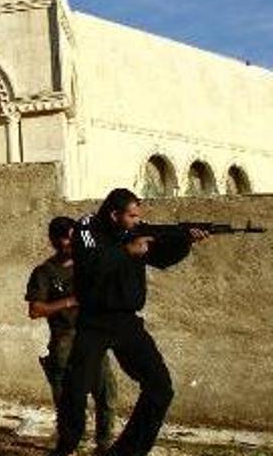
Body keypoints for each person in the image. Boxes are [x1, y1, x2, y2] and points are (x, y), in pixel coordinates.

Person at [53, 189, 208, 456]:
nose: (138, 221)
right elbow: (91, 264)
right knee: (76, 390)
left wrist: (186, 242)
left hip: (126, 322)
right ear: (115, 214)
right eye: (132, 216)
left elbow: (161, 258)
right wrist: (126, 250)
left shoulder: (135, 232)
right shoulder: (87, 227)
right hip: (94, 321)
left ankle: (127, 452)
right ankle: (65, 446)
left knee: (160, 388)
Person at [26, 216, 115, 454]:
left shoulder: (89, 264)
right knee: (67, 402)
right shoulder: (45, 272)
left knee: (106, 394)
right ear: (55, 240)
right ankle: (68, 445)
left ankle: (104, 444)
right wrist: (69, 301)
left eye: (75, 238)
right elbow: (35, 310)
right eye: (66, 238)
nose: (72, 243)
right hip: (64, 339)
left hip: (92, 337)